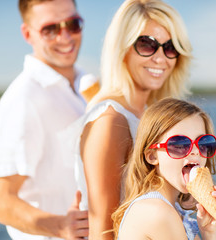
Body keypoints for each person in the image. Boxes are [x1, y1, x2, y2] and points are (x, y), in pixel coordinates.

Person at [71, 0, 193, 239]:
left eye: (170, 47)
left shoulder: (147, 112)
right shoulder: (109, 122)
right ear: (122, 48)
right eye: (147, 45)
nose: (161, 58)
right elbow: (102, 232)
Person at [0, 0, 90, 239]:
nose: (65, 37)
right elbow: (1, 202)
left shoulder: (85, 82)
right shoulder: (24, 99)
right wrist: (60, 226)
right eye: (50, 29)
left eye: (73, 24)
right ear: (28, 33)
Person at [112, 98, 216, 240]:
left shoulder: (174, 211)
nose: (195, 151)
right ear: (152, 156)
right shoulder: (157, 212)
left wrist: (209, 231)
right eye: (180, 144)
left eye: (203, 143)